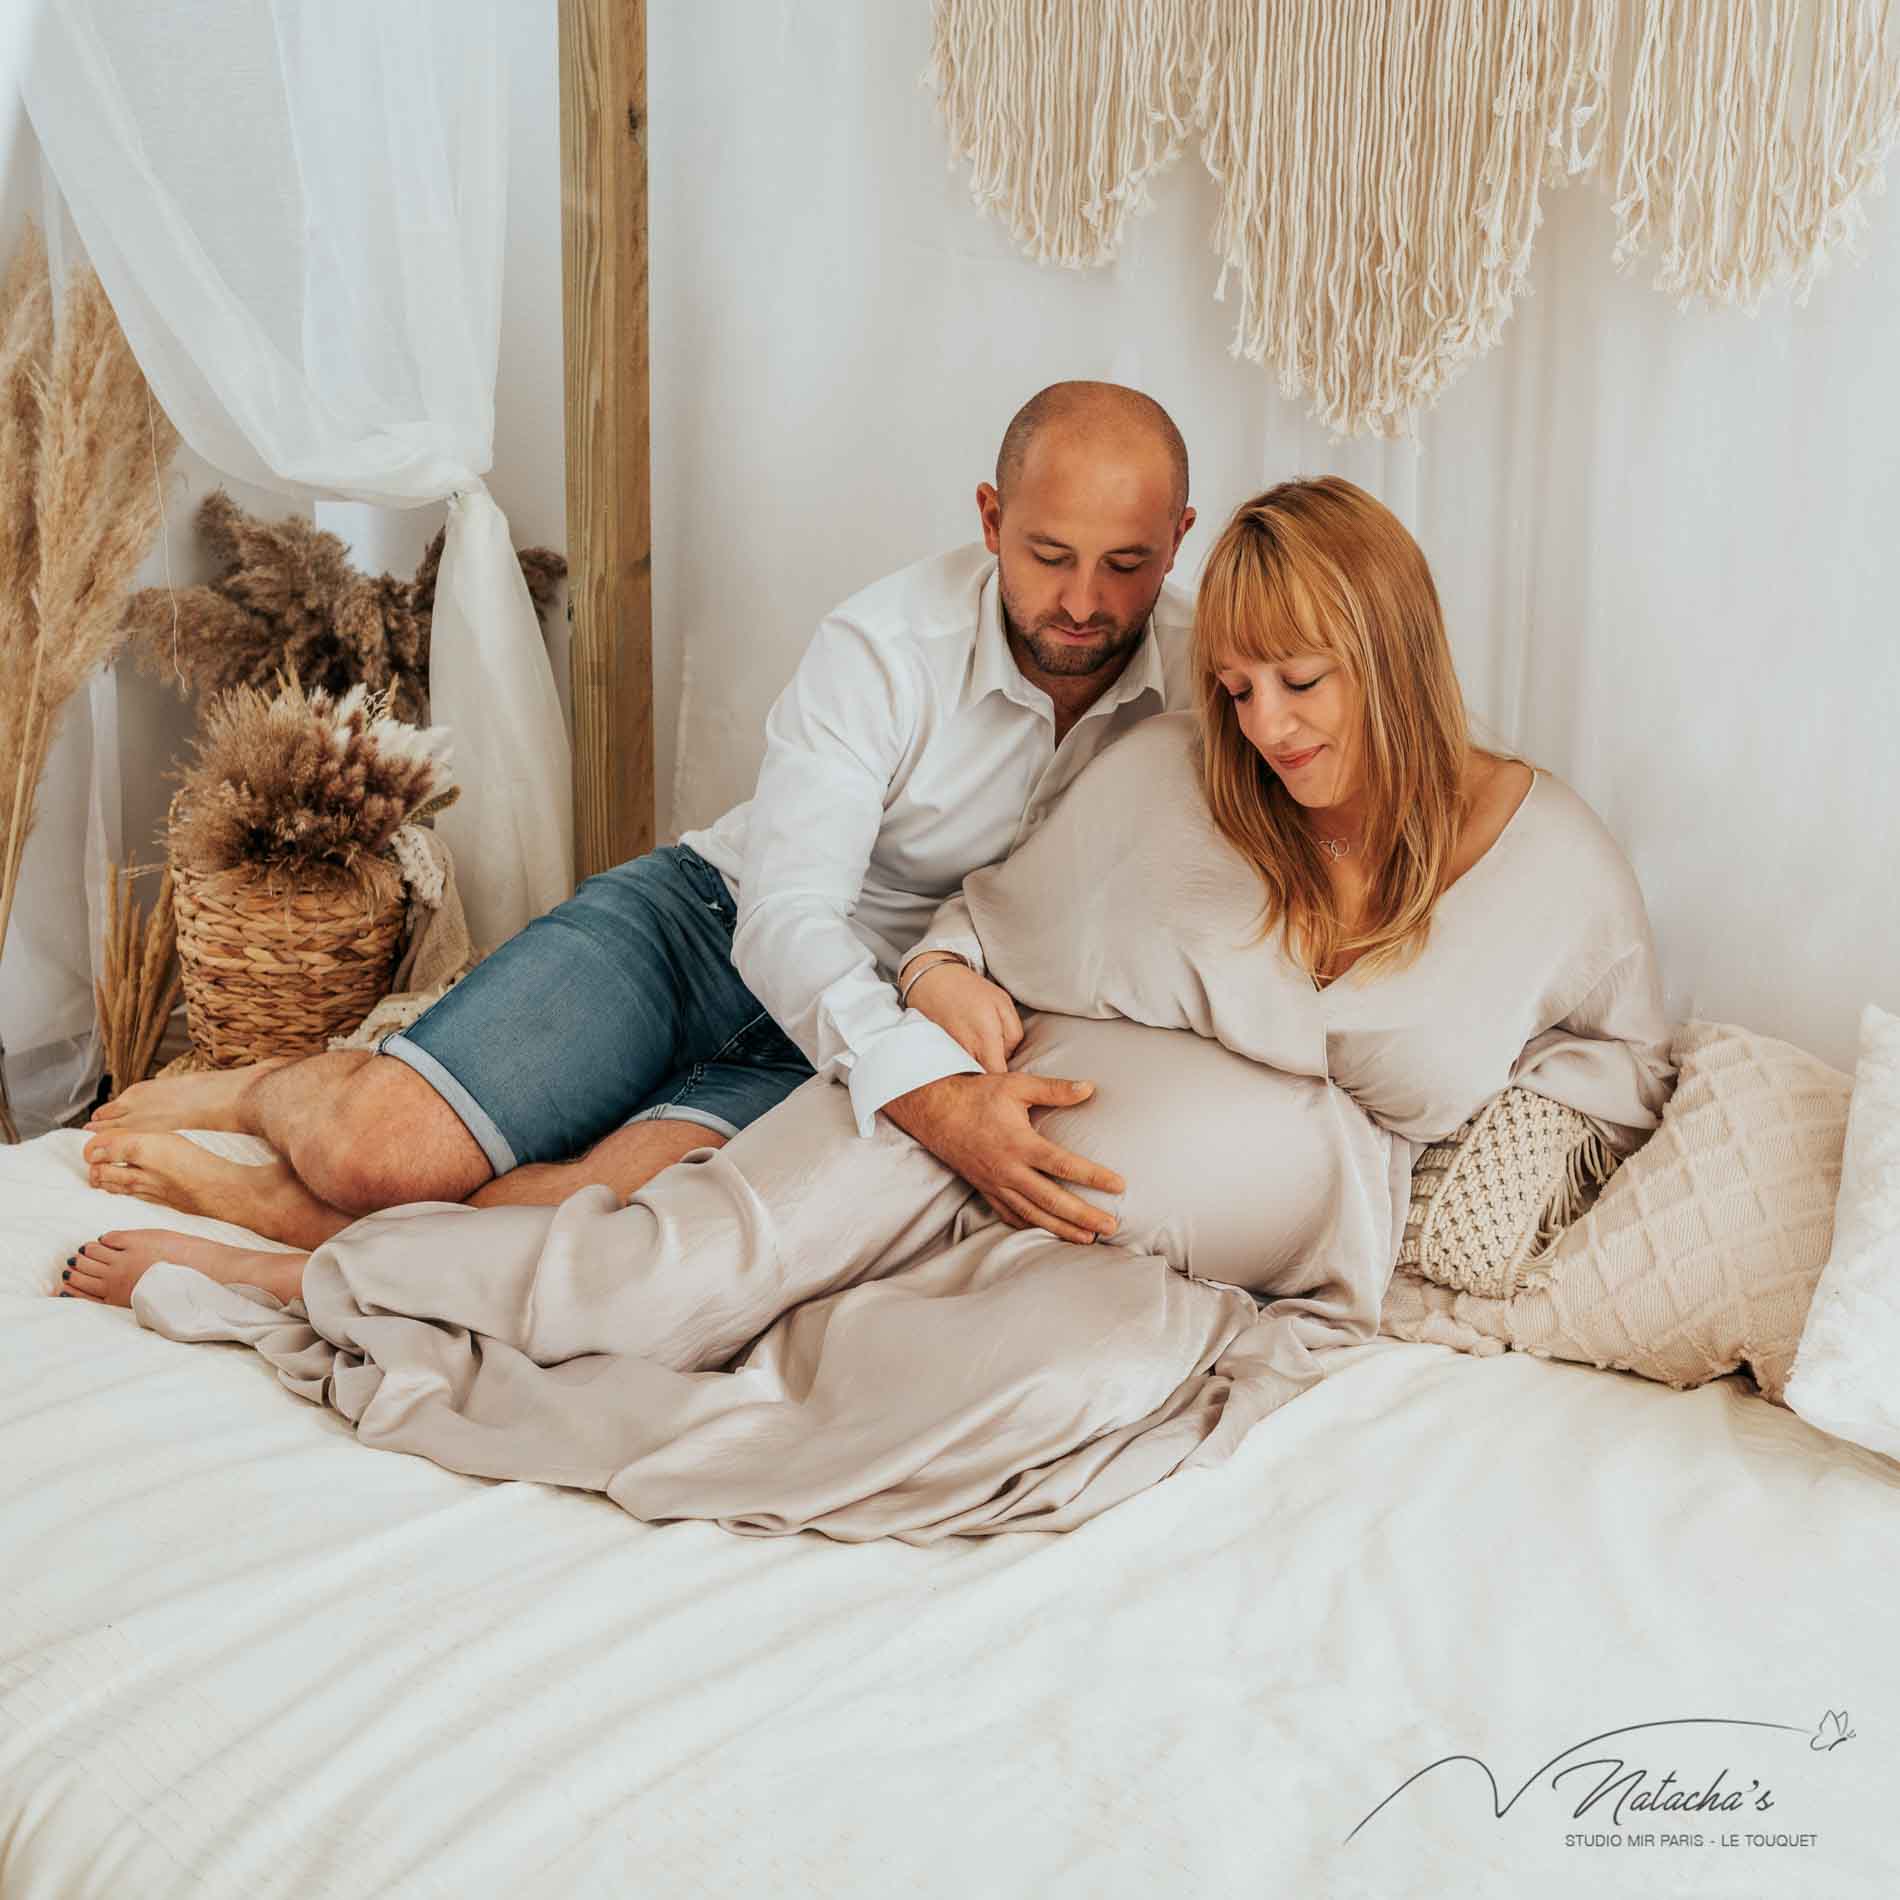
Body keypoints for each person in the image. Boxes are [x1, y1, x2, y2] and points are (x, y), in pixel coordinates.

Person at [55, 478, 1674, 1543]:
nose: (1264, 724)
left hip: (1169, 1260)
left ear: (1396, 650)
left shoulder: (1554, 866)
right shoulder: (1177, 774)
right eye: (1239, 688)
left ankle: (361, 1268)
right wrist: (955, 1004)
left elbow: (1613, 1060)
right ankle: (298, 1275)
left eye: (1301, 684)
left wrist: (1501, 1188)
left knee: (990, 1401)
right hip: (946, 1107)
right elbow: (970, 918)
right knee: (677, 1263)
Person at [77, 381, 1198, 1251]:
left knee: (585, 1223)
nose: (1085, 605)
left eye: (1127, 564)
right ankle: (265, 1089)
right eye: (1050, 556)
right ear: (992, 519)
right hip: (710, 925)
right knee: (378, 1158)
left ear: (1179, 540)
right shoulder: (884, 647)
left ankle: (283, 1213)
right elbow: (790, 915)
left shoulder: (1203, 688)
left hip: (843, 1041)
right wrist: (932, 1092)